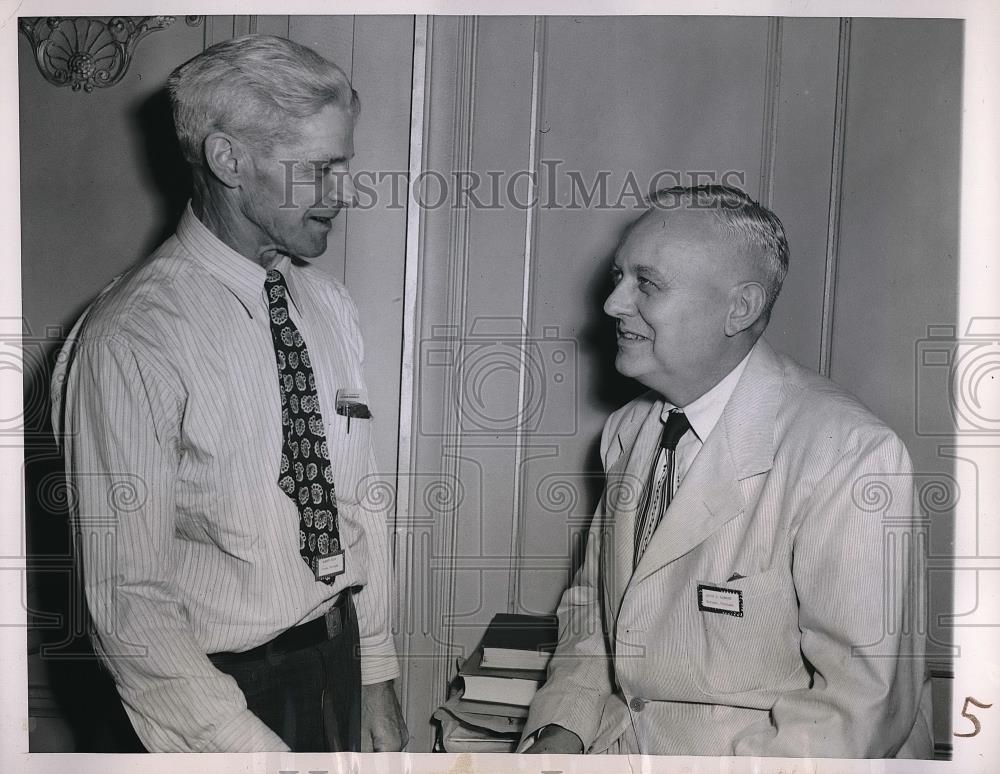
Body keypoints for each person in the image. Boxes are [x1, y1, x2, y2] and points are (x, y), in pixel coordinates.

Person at [50, 34, 407, 753]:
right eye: (318, 169)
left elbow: (353, 503)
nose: (343, 192)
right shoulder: (131, 338)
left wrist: (374, 671)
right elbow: (130, 604)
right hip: (216, 701)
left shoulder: (328, 306)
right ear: (228, 159)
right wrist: (245, 749)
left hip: (334, 660)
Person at [520, 185, 933, 757]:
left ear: (739, 307)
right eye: (619, 277)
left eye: (648, 283)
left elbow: (859, 709)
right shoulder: (628, 431)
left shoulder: (849, 454)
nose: (614, 303)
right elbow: (596, 611)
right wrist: (559, 730)